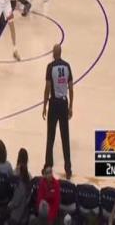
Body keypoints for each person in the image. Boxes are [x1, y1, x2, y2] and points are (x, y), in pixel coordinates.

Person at [43, 44, 73, 180]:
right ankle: (68, 168)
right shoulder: (67, 66)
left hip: (54, 104)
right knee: (65, 137)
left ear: (54, 53)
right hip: (64, 103)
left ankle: (48, 166)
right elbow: (71, 88)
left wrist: (44, 105)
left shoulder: (50, 67)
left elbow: (47, 88)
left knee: (51, 136)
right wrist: (71, 106)